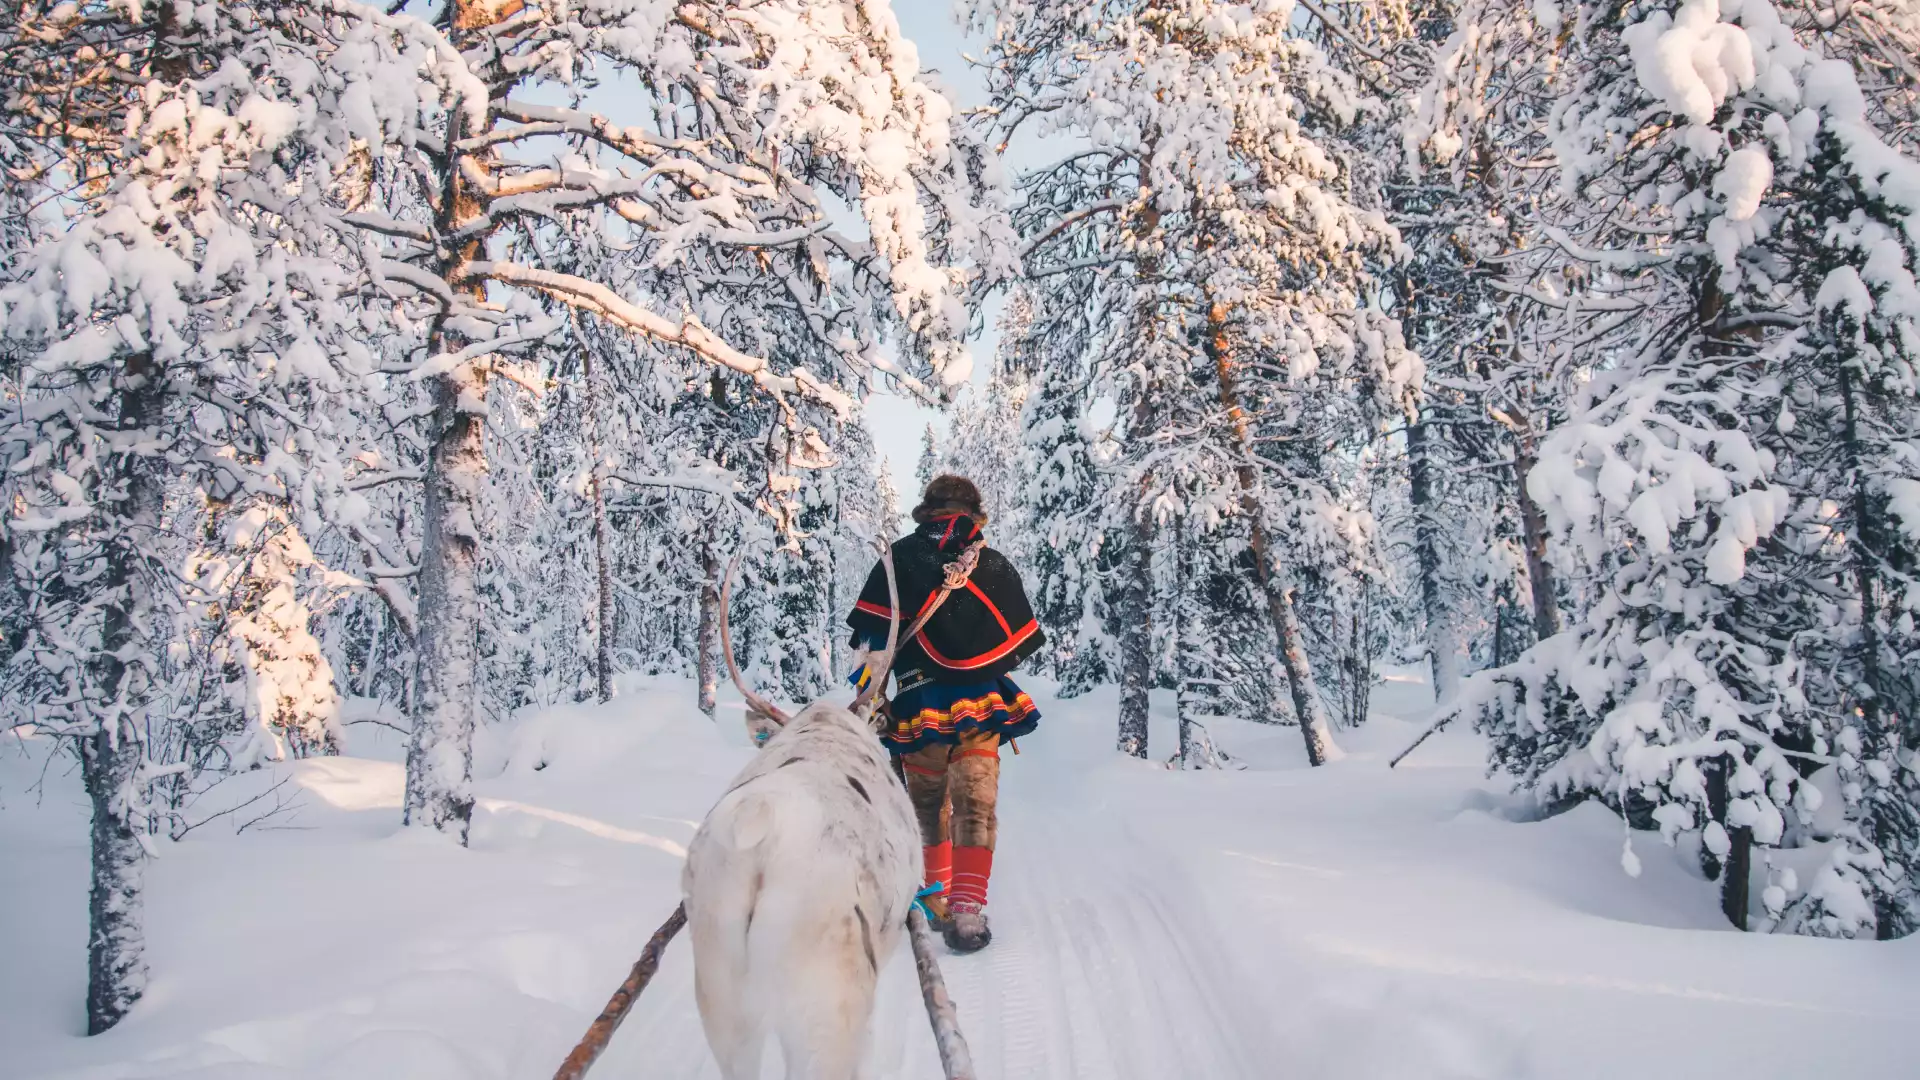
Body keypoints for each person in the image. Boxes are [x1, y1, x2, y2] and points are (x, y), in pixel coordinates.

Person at [845, 475, 1044, 953]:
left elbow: (871, 643)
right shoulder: (990, 563)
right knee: (976, 807)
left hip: (919, 707)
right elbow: (1016, 644)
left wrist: (870, 700)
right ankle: (968, 912)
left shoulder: (899, 559)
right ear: (974, 512)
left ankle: (935, 902)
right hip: (982, 706)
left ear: (927, 512)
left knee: (927, 808)